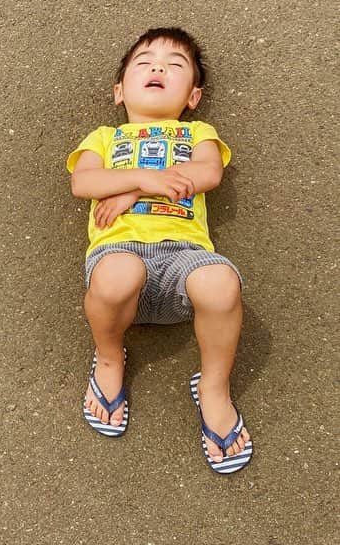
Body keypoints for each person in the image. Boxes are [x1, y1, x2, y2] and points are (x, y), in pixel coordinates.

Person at [67, 27, 252, 473]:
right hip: (120, 253)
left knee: (222, 283)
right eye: (145, 62)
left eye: (175, 65)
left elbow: (208, 173)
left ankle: (214, 387)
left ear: (192, 96)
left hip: (185, 256)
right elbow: (84, 182)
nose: (158, 68)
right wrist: (146, 180)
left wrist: (130, 190)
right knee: (117, 275)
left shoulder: (199, 133)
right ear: (119, 91)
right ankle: (110, 356)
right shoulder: (104, 139)